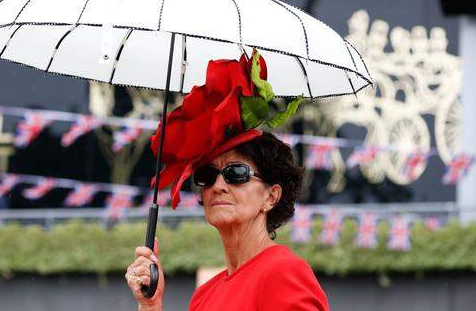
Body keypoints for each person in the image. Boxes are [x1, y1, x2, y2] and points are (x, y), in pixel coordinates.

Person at [124, 50, 329, 311]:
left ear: (271, 196)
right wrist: (151, 304)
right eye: (207, 176)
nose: (218, 186)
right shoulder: (205, 296)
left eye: (236, 174)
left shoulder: (282, 272)